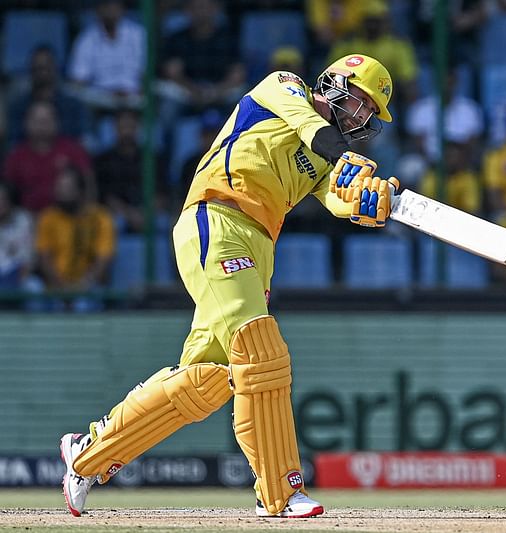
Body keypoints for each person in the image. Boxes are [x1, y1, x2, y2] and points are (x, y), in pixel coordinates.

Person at [59, 54, 399, 519]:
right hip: (215, 221)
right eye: (363, 105)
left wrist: (367, 202)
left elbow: (336, 199)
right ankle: (280, 491)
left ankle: (87, 454)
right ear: (336, 85)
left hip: (260, 247)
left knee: (207, 380)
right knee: (261, 348)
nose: (364, 120)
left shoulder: (323, 158)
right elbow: (313, 129)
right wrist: (345, 157)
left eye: (370, 116)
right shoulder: (284, 87)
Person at [34, 165, 115, 308]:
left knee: (83, 305)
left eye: (67, 188)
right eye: (58, 187)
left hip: (89, 286)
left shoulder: (100, 218)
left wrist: (83, 286)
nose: (60, 192)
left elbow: (103, 259)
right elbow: (44, 259)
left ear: (80, 191)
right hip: (55, 286)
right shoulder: (48, 218)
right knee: (36, 292)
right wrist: (61, 288)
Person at [3, 101, 94, 212]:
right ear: (26, 123)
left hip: (67, 218)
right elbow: (6, 193)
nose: (41, 125)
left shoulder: (73, 150)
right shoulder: (16, 156)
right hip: (27, 220)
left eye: (46, 120)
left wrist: (86, 212)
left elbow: (88, 183)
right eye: (37, 121)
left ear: (57, 122)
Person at [67, 0, 146, 109]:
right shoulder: (86, 39)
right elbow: (78, 81)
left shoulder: (138, 34)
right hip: (100, 102)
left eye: (114, 4)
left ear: (122, 8)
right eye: (106, 5)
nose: (110, 10)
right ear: (98, 9)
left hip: (133, 99)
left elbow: (145, 74)